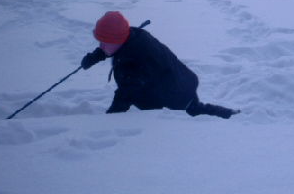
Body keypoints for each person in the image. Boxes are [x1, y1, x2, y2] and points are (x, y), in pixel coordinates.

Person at [81, 11, 239, 119]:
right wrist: (95, 56)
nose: (101, 45)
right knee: (196, 109)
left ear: (118, 38)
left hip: (174, 94)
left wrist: (109, 121)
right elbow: (112, 46)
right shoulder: (130, 36)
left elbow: (126, 93)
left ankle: (233, 117)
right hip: (179, 79)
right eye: (100, 42)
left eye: (104, 42)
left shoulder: (134, 60)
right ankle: (230, 115)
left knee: (193, 113)